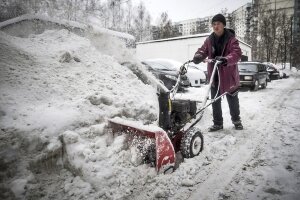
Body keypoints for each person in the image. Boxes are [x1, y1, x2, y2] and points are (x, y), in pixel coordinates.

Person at [192, 13, 243, 131]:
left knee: (233, 100)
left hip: (228, 76)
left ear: (223, 25)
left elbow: (236, 53)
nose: (215, 26)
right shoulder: (209, 39)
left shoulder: (231, 39)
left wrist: (226, 59)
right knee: (215, 101)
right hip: (214, 75)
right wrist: (198, 56)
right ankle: (218, 123)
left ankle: (236, 121)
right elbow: (202, 50)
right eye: (213, 24)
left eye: (218, 24)